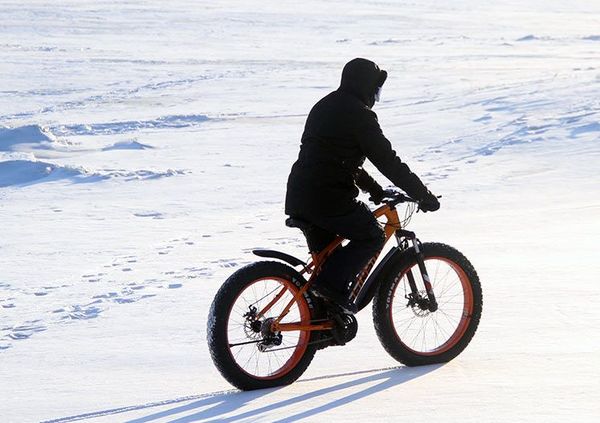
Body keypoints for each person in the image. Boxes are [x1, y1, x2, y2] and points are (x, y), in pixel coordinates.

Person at [285, 58, 440, 314]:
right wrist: (422, 195)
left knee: (331, 262)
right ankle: (326, 289)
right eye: (375, 89)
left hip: (300, 196)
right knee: (372, 235)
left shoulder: (323, 106)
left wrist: (376, 191)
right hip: (329, 199)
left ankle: (322, 322)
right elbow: (388, 161)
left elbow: (340, 160)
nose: (376, 96)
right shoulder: (360, 115)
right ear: (366, 86)